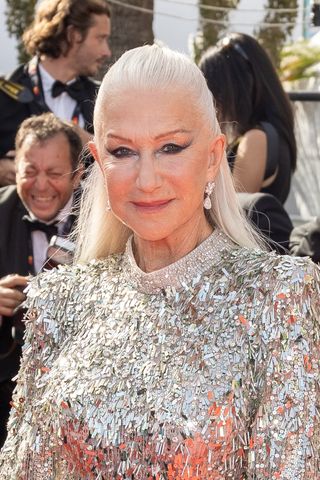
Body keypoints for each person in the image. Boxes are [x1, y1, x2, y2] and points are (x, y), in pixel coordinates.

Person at [0, 45, 319, 479]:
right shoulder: (60, 301)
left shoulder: (280, 299)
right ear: (98, 162)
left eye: (170, 146)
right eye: (123, 152)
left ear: (211, 157)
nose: (147, 180)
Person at [0, 112, 83, 448]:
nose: (41, 185)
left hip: (82, 395)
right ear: (14, 169)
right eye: (30, 172)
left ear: (77, 175)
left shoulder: (108, 218)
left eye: (54, 173)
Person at [0, 0, 111, 187]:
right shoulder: (4, 93)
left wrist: (89, 142)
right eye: (100, 38)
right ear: (73, 35)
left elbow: (124, 161)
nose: (107, 51)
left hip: (84, 216)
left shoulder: (104, 97)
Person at [199, 32, 296, 204]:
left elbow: (232, 210)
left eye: (213, 91)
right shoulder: (273, 132)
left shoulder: (256, 139)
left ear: (233, 89)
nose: (213, 102)